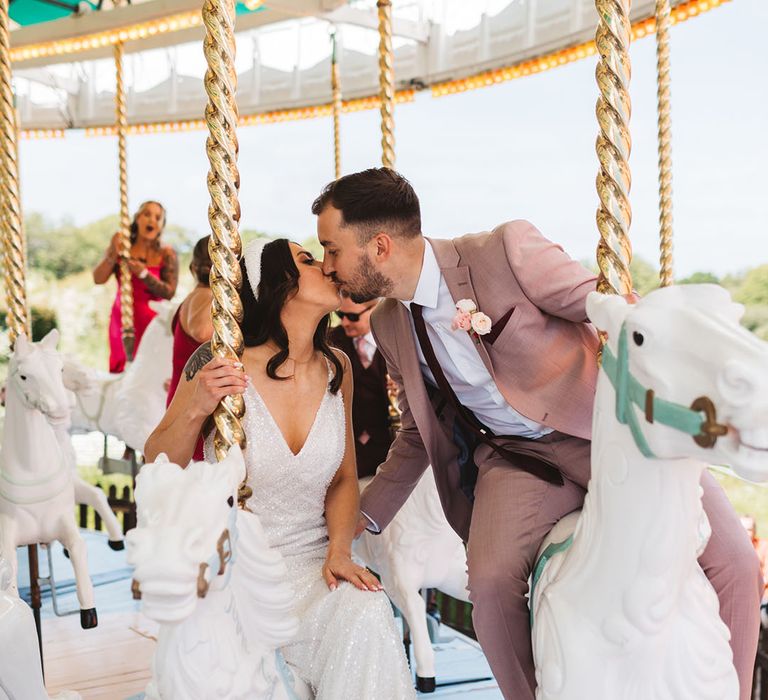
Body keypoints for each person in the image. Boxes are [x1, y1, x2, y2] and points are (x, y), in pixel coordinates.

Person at [312, 167, 763, 700]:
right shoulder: (390, 324)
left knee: (733, 557)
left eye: (331, 249)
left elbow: (607, 306)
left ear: (379, 245)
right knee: (490, 583)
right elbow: (416, 435)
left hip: (601, 432)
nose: (327, 265)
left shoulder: (504, 250)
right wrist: (356, 522)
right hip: (514, 459)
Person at [144, 238, 415, 699]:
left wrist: (340, 553)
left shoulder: (338, 369)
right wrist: (195, 407)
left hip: (316, 566)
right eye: (307, 261)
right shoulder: (217, 363)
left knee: (367, 610)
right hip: (240, 569)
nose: (326, 267)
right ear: (275, 285)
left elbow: (345, 477)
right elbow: (157, 463)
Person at [93, 200, 179, 373]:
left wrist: (143, 274)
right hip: (123, 317)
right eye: (147, 214)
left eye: (158, 217)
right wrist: (112, 253)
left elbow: (169, 292)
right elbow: (98, 279)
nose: (152, 220)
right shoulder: (123, 248)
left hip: (152, 319)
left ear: (161, 225)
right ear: (137, 219)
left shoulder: (166, 253)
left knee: (151, 369)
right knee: (122, 366)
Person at [328, 293, 393, 479]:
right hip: (350, 448)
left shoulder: (394, 339)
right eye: (341, 316)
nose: (345, 322)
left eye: (353, 317)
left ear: (376, 309)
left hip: (390, 445)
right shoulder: (331, 342)